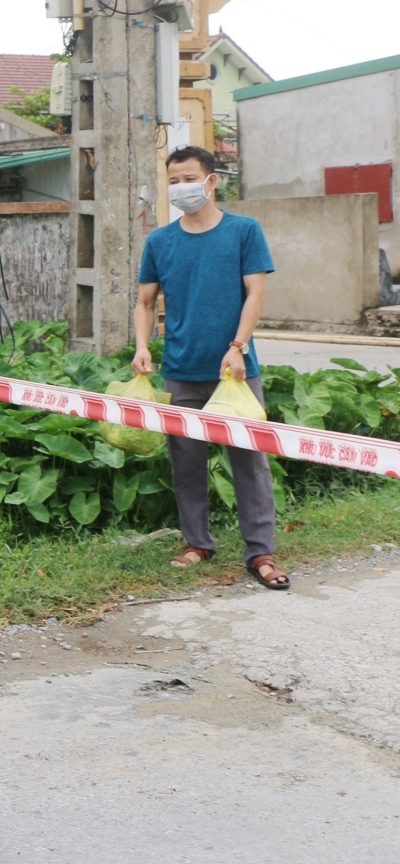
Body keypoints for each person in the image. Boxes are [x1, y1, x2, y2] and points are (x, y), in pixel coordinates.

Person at [133, 145, 286, 590]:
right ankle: (197, 543)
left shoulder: (243, 231)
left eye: (188, 178)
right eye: (173, 180)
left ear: (211, 180)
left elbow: (255, 294)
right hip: (180, 369)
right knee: (186, 463)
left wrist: (238, 346)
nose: (180, 187)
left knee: (249, 462)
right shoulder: (160, 242)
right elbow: (145, 302)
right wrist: (143, 346)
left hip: (236, 373)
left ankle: (260, 552)